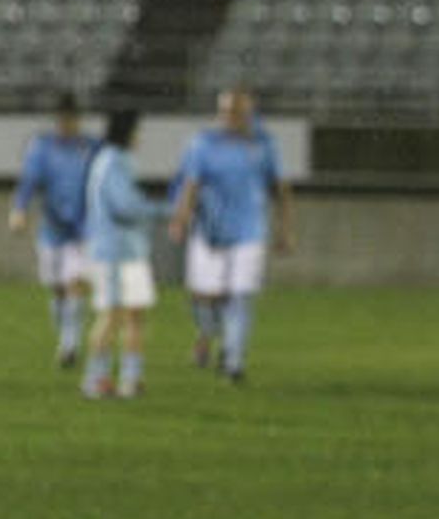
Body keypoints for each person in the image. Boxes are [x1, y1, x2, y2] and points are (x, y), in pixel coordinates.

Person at [168, 88, 296, 383]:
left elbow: (281, 189)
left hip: (249, 232)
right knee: (205, 298)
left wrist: (285, 229)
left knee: (240, 297)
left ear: (249, 113)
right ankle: (208, 333)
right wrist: (181, 218)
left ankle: (234, 361)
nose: (229, 118)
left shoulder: (264, 145)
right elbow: (191, 184)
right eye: (224, 112)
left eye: (236, 112)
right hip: (209, 230)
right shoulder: (203, 143)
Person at [81, 110, 169, 399]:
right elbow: (125, 207)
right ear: (128, 132)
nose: (139, 137)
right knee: (114, 314)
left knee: (134, 315)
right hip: (114, 251)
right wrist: (163, 210)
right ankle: (96, 379)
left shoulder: (110, 161)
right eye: (137, 131)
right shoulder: (113, 162)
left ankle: (131, 380)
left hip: (128, 250)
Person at [8, 92, 97, 367]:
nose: (66, 124)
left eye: (70, 119)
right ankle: (65, 337)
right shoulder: (43, 147)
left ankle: (70, 344)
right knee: (57, 289)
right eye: (61, 119)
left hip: (84, 229)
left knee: (75, 284)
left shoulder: (92, 147)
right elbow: (29, 181)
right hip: (53, 228)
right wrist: (19, 209)